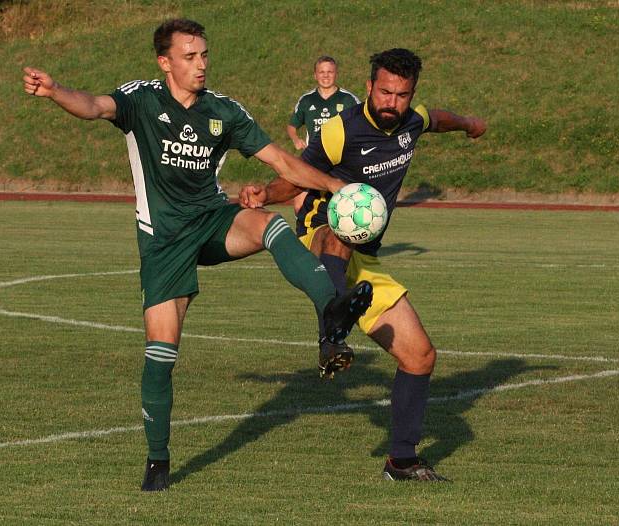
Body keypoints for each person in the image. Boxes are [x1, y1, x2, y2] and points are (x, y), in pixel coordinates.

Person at [22, 18, 373, 492]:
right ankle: (157, 461)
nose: (201, 64)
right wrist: (56, 90)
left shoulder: (223, 111)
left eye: (204, 54)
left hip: (211, 220)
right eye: (190, 57)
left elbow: (281, 161)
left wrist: (334, 185)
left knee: (268, 222)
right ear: (165, 62)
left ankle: (331, 311)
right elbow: (95, 105)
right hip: (164, 240)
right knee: (161, 353)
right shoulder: (142, 99)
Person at [240, 48, 487, 482]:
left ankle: (402, 461)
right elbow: (297, 174)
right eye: (384, 91)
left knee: (420, 356)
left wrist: (467, 125)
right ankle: (332, 331)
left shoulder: (413, 120)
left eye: (401, 95)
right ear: (370, 86)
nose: (391, 102)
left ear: (412, 95)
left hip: (365, 259)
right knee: (340, 230)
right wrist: (265, 194)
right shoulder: (341, 130)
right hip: (319, 234)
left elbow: (438, 118)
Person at [286, 56, 360, 213]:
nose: (326, 76)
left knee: (343, 205)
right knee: (299, 202)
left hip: (341, 160)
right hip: (314, 158)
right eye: (322, 72)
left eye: (330, 72)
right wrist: (296, 139)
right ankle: (302, 235)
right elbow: (292, 126)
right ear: (315, 75)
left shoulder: (348, 100)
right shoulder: (306, 100)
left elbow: (362, 126)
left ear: (336, 74)